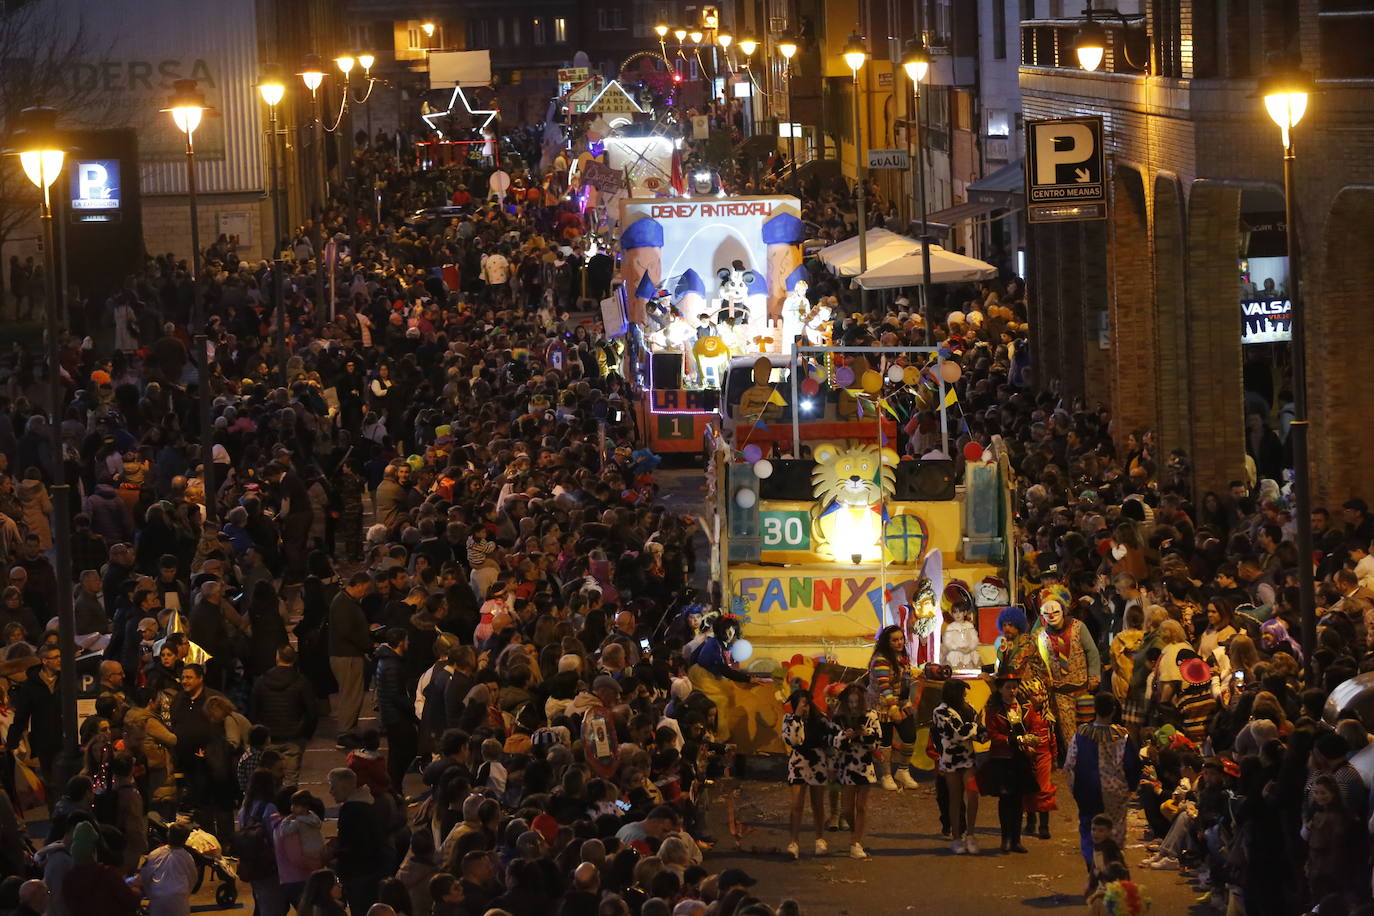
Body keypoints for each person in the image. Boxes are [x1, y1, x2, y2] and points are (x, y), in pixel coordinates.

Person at [1064, 693, 1140, 895]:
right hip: (1115, 795)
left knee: (1090, 832)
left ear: (1094, 709)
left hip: (1087, 792)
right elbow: (1132, 766)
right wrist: (1129, 789)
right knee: (1113, 836)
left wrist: (1075, 790)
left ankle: (1094, 872)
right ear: (1114, 710)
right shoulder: (1122, 736)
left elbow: (1069, 765)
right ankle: (1112, 879)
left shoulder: (1081, 734)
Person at [980, 675, 1046, 854]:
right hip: (1003, 759)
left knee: (1018, 801)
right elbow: (993, 735)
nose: (1012, 691)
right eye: (1008, 687)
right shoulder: (994, 711)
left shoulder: (1025, 708)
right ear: (1000, 689)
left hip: (1021, 759)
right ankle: (1005, 839)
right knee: (1005, 800)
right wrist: (1014, 739)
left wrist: (1031, 740)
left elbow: (1034, 727)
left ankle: (1016, 840)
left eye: (1014, 687)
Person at [932, 677, 986, 854]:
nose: (964, 695)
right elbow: (956, 734)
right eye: (962, 692)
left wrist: (973, 729)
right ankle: (956, 837)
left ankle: (970, 835)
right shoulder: (940, 712)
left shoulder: (966, 707)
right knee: (954, 798)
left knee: (973, 796)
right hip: (951, 759)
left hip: (968, 757)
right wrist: (974, 728)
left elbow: (977, 729)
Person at [780, 689, 835, 860]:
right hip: (798, 762)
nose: (805, 707)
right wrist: (796, 717)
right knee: (796, 804)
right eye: (801, 703)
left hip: (817, 762)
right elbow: (793, 741)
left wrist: (832, 765)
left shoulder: (820, 719)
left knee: (817, 804)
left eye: (806, 703)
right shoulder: (789, 719)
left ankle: (820, 839)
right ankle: (794, 842)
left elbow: (830, 741)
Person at [865, 624, 918, 791]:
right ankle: (886, 775)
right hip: (883, 705)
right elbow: (884, 686)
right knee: (885, 740)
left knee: (909, 735)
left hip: (901, 702)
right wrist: (893, 708)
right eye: (895, 640)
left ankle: (903, 770)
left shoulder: (902, 656)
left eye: (901, 639)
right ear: (886, 642)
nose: (899, 643)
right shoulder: (881, 659)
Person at [830, 684, 879, 859]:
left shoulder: (871, 716)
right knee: (847, 809)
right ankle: (855, 833)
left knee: (861, 806)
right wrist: (845, 737)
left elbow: (876, 742)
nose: (853, 705)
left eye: (856, 702)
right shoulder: (838, 718)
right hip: (846, 766)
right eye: (850, 702)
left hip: (865, 766)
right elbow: (833, 742)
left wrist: (864, 734)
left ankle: (855, 842)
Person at [329, 572, 374, 741]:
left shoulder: (347, 601)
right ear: (359, 585)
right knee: (350, 695)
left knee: (353, 694)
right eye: (366, 588)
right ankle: (345, 733)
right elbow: (347, 632)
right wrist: (367, 644)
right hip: (346, 656)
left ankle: (350, 729)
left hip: (349, 654)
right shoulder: (343, 603)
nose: (366, 592)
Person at [137, 822, 198, 916]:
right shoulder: (187, 857)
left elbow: (145, 877)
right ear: (185, 839)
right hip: (179, 901)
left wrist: (151, 895)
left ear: (168, 834)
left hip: (158, 900)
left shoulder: (155, 854)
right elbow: (192, 879)